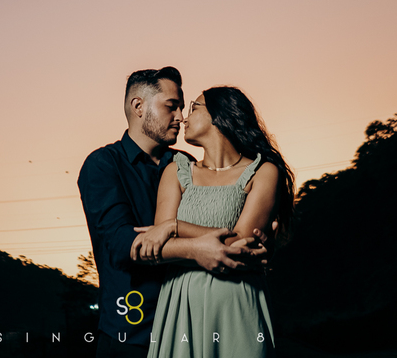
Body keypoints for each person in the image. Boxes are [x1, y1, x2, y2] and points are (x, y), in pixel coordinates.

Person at [79, 69, 265, 358]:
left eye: (183, 107)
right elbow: (119, 244)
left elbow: (229, 224)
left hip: (193, 321)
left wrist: (259, 240)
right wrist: (195, 249)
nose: (180, 116)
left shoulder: (188, 165)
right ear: (138, 107)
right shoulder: (102, 165)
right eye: (171, 106)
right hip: (131, 332)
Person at [132, 86, 294, 357]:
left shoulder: (263, 172)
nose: (183, 117)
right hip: (181, 305)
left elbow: (239, 245)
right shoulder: (176, 172)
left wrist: (175, 227)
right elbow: (158, 248)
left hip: (237, 305)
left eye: (194, 107)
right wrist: (169, 236)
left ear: (220, 115)